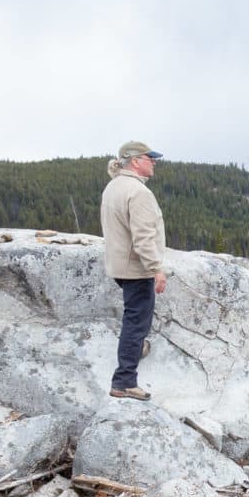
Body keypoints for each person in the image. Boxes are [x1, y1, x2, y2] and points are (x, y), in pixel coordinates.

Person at [100, 141, 168, 400]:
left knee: (136, 319)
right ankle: (124, 381)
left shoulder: (113, 186)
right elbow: (143, 238)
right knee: (136, 323)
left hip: (119, 266)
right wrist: (156, 269)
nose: (154, 162)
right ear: (136, 160)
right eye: (150, 158)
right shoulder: (139, 192)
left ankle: (137, 348)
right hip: (136, 268)